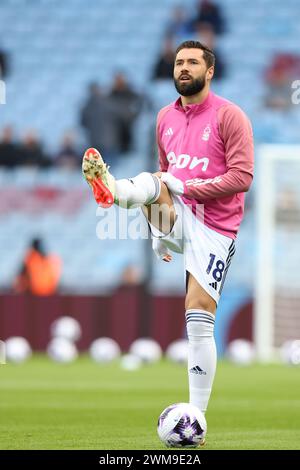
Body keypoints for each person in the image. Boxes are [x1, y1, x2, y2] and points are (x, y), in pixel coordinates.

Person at [82, 40, 254, 443]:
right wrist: (159, 231)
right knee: (153, 179)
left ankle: (197, 415)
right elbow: (165, 172)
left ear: (209, 71)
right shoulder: (163, 118)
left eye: (193, 62)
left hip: (215, 226)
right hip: (177, 215)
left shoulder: (230, 116)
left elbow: (242, 177)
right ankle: (111, 186)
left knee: (197, 316)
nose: (184, 68)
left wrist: (188, 187)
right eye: (179, 62)